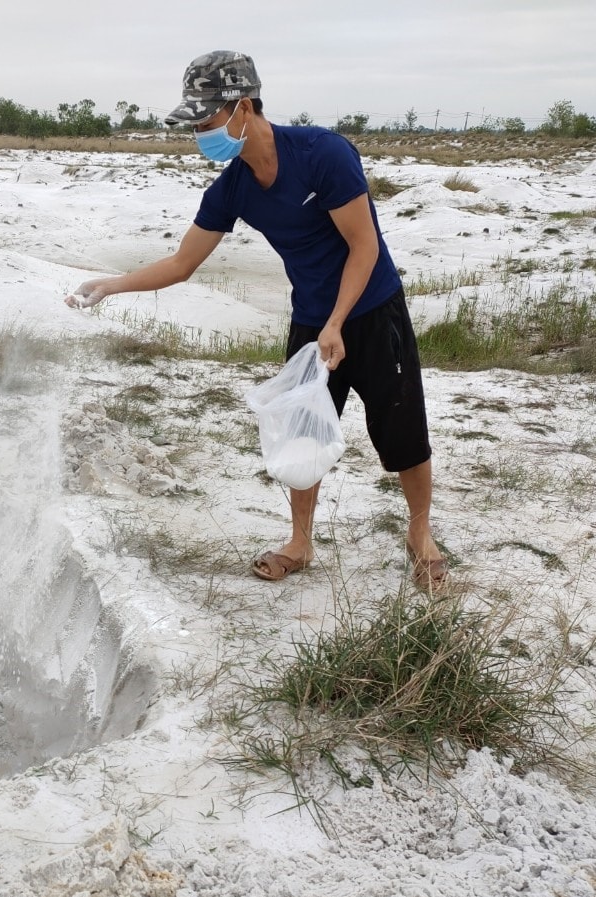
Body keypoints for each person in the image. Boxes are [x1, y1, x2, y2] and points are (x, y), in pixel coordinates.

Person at [67, 51, 447, 590]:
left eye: (207, 121)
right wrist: (109, 285)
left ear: (243, 107)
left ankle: (420, 533)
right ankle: (300, 540)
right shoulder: (233, 187)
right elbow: (182, 263)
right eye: (195, 125)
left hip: (370, 308)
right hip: (313, 319)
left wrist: (338, 322)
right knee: (302, 434)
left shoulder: (323, 155)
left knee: (402, 429)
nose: (201, 134)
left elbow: (364, 247)